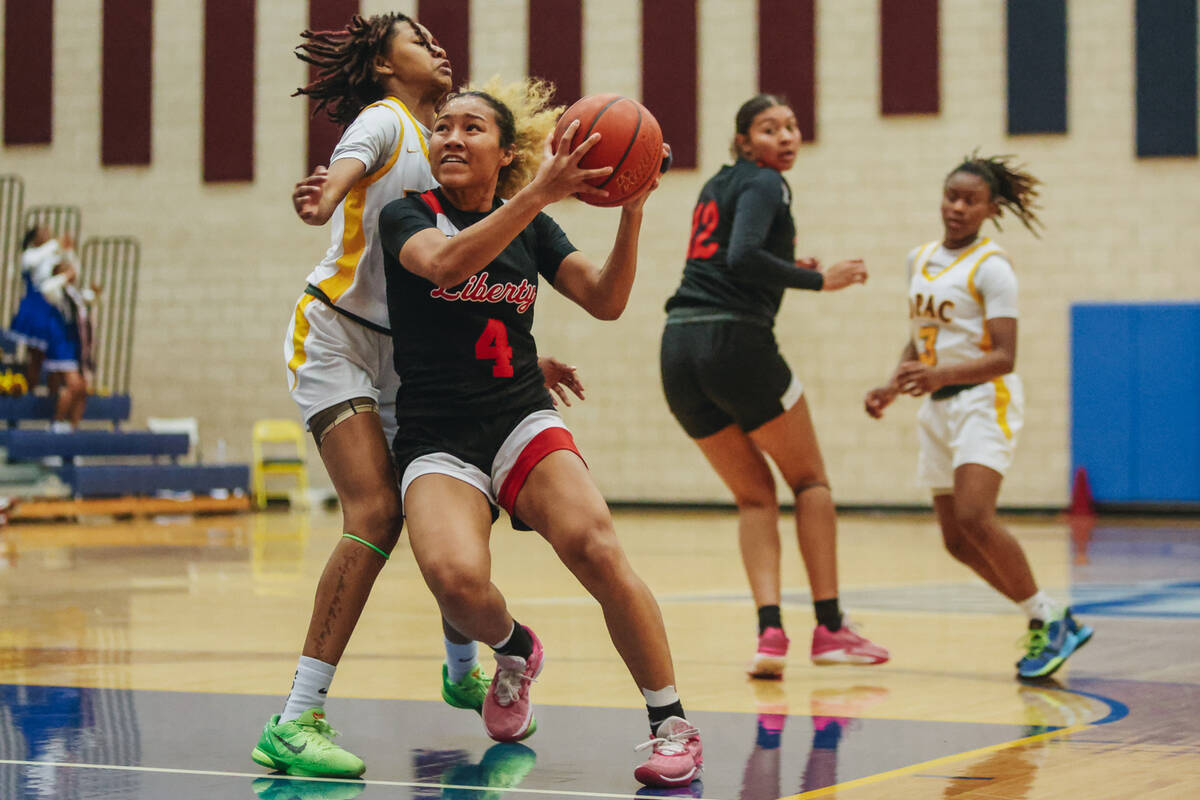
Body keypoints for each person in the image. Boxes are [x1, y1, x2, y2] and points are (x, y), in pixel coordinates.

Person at [256, 13, 581, 781]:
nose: (436, 44)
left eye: (437, 37)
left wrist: (522, 349)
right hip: (337, 336)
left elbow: (464, 269)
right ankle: (295, 719)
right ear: (382, 63)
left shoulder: (446, 147)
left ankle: (462, 667)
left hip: (410, 348)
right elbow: (345, 169)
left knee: (450, 492)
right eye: (416, 38)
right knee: (375, 513)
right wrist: (323, 197)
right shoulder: (386, 120)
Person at [378, 79, 700, 789]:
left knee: (596, 546)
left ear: (506, 152)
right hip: (438, 433)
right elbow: (445, 265)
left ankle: (671, 724)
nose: (451, 136)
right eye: (443, 126)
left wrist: (633, 211)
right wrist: (537, 196)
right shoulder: (408, 214)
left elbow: (605, 300)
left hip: (518, 415)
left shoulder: (533, 223)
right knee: (455, 582)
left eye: (472, 127)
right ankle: (516, 648)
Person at [659, 94, 889, 679]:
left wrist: (786, 267)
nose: (785, 136)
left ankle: (770, 636)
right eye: (769, 129)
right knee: (810, 482)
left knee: (755, 497)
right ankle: (831, 628)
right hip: (735, 344)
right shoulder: (767, 183)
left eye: (791, 126)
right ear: (743, 141)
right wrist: (820, 279)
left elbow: (730, 258)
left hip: (679, 349)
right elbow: (742, 258)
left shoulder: (717, 183)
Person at [862, 152, 1092, 679]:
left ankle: (1048, 619)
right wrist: (893, 385)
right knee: (955, 540)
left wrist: (939, 375)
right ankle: (1049, 616)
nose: (958, 207)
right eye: (952, 196)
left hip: (985, 399)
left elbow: (1006, 356)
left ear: (991, 209)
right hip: (938, 406)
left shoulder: (992, 268)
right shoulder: (918, 259)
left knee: (974, 517)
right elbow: (923, 337)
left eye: (971, 201)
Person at [9, 226, 89, 429]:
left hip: (57, 325)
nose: (48, 234)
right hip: (37, 312)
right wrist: (56, 244)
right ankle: (32, 400)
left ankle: (63, 422)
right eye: (43, 232)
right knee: (35, 357)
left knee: (60, 376)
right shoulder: (31, 255)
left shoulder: (67, 289)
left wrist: (68, 251)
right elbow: (45, 279)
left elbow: (72, 270)